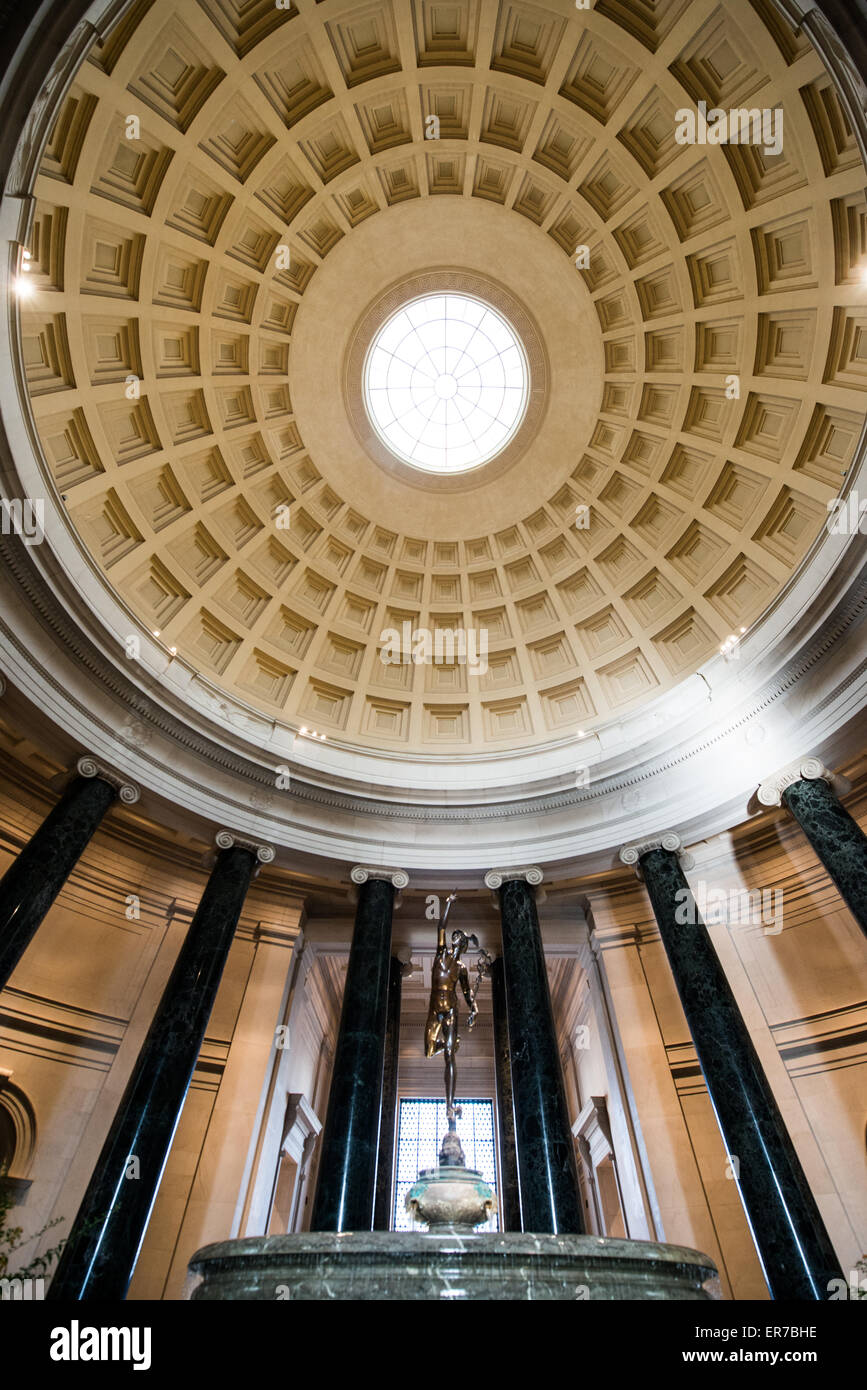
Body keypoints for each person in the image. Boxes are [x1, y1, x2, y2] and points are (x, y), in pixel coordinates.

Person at [424, 891, 479, 1125]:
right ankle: (449, 1044)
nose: (455, 937)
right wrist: (447, 904)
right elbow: (440, 926)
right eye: (454, 936)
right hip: (434, 1008)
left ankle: (449, 1104)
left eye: (459, 937)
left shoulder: (462, 968)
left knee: (449, 1056)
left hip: (452, 1010)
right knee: (428, 1050)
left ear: (463, 945)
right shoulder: (440, 954)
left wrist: (474, 1010)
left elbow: (467, 993)